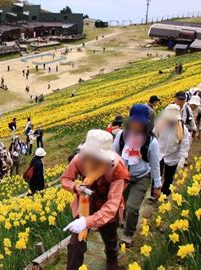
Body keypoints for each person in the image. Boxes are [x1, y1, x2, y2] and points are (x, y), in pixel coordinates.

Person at [62, 129, 130, 270]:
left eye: (96, 157)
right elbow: (65, 180)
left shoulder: (117, 168)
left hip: (106, 205)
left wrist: (87, 222)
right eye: (89, 156)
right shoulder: (79, 159)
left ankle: (112, 260)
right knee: (75, 244)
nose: (91, 161)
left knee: (110, 239)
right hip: (85, 204)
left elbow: (112, 206)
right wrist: (76, 187)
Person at [112, 104, 161, 247]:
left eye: (141, 123)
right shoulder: (122, 136)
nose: (137, 125)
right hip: (123, 177)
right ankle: (122, 222)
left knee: (132, 207)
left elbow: (155, 164)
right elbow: (113, 154)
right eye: (135, 121)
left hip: (141, 177)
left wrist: (157, 186)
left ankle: (128, 233)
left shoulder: (151, 142)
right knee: (121, 204)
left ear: (146, 123)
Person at [153, 104, 190, 196]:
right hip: (159, 153)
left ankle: (165, 194)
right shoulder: (159, 124)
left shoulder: (182, 129)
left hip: (173, 155)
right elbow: (154, 138)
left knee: (169, 177)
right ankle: (153, 194)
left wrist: (182, 158)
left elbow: (184, 144)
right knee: (157, 174)